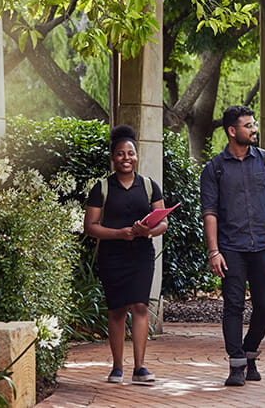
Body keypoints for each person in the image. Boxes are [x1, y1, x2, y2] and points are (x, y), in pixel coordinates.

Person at [200, 105, 265, 386]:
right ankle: (237, 364)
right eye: (248, 126)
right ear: (231, 131)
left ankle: (250, 351)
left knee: (264, 306)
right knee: (233, 306)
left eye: (253, 124)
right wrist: (214, 251)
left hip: (264, 246)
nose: (254, 129)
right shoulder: (214, 168)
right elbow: (210, 212)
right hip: (231, 249)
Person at [84, 125, 168, 385]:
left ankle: (140, 367)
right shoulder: (102, 188)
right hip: (113, 256)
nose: (126, 158)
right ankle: (118, 367)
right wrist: (119, 233)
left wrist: (148, 231)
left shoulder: (149, 186)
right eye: (120, 154)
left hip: (142, 254)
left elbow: (163, 222)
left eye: (130, 153)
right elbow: (90, 227)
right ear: (113, 157)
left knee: (141, 306)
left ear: (137, 156)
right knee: (118, 310)